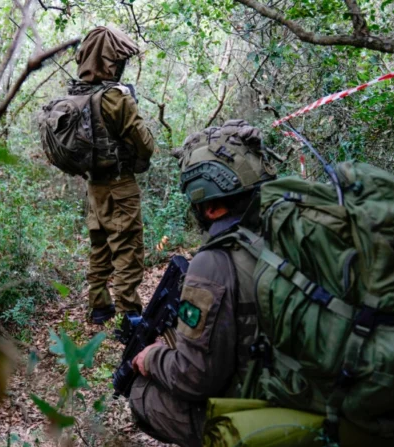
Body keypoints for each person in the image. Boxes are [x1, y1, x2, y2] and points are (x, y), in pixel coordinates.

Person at [128, 120, 277, 447]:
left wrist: (151, 358)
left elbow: (195, 379)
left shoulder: (214, 263)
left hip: (271, 409)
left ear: (210, 206)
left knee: (141, 393)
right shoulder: (285, 231)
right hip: (316, 391)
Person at [71, 26, 157, 324]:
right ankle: (129, 317)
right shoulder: (115, 97)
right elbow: (144, 142)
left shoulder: (77, 95)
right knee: (128, 247)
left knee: (100, 245)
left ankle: (99, 306)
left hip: (94, 185)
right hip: (120, 184)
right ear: (111, 61)